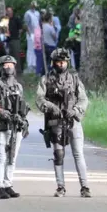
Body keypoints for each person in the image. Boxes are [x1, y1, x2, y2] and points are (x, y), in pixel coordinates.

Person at [36, 48, 91, 198]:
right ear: (53, 63)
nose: (61, 64)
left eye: (64, 62)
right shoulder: (45, 79)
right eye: (58, 62)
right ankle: (61, 187)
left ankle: (85, 186)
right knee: (58, 154)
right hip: (55, 123)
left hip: (73, 121)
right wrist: (51, 106)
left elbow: (84, 99)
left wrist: (76, 110)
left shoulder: (74, 79)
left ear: (67, 62)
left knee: (78, 154)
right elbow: (39, 99)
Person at [0, 55, 30, 199]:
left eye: (11, 65)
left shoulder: (18, 86)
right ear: (0, 67)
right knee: (2, 157)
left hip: (16, 126)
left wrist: (24, 122)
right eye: (5, 65)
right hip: (2, 125)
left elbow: (22, 106)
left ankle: (8, 184)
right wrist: (0, 111)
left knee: (12, 157)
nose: (8, 67)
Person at [5, 6, 22, 73]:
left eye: (10, 11)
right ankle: (10, 71)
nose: (9, 12)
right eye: (8, 11)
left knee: (16, 55)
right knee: (8, 56)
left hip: (15, 39)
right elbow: (1, 28)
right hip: (7, 40)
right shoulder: (5, 19)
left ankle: (18, 70)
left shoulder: (16, 19)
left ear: (12, 11)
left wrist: (18, 35)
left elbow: (20, 29)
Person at [24, 1, 40, 73]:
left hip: (37, 33)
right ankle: (30, 64)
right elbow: (26, 24)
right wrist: (29, 34)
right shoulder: (27, 13)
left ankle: (34, 64)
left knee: (36, 49)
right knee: (30, 49)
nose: (34, 6)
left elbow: (38, 23)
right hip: (30, 33)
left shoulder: (37, 13)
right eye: (33, 5)